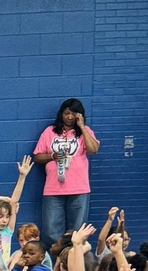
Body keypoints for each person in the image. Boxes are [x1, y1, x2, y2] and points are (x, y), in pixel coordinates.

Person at [33, 98, 100, 246]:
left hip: (79, 188)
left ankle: (73, 264)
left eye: (73, 114)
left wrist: (82, 127)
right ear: (61, 114)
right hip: (53, 189)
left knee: (77, 232)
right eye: (66, 113)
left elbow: (93, 150)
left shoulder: (85, 132)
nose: (69, 117)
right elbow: (37, 156)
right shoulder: (49, 132)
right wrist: (51, 156)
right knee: (51, 232)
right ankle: (56, 265)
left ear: (80, 115)